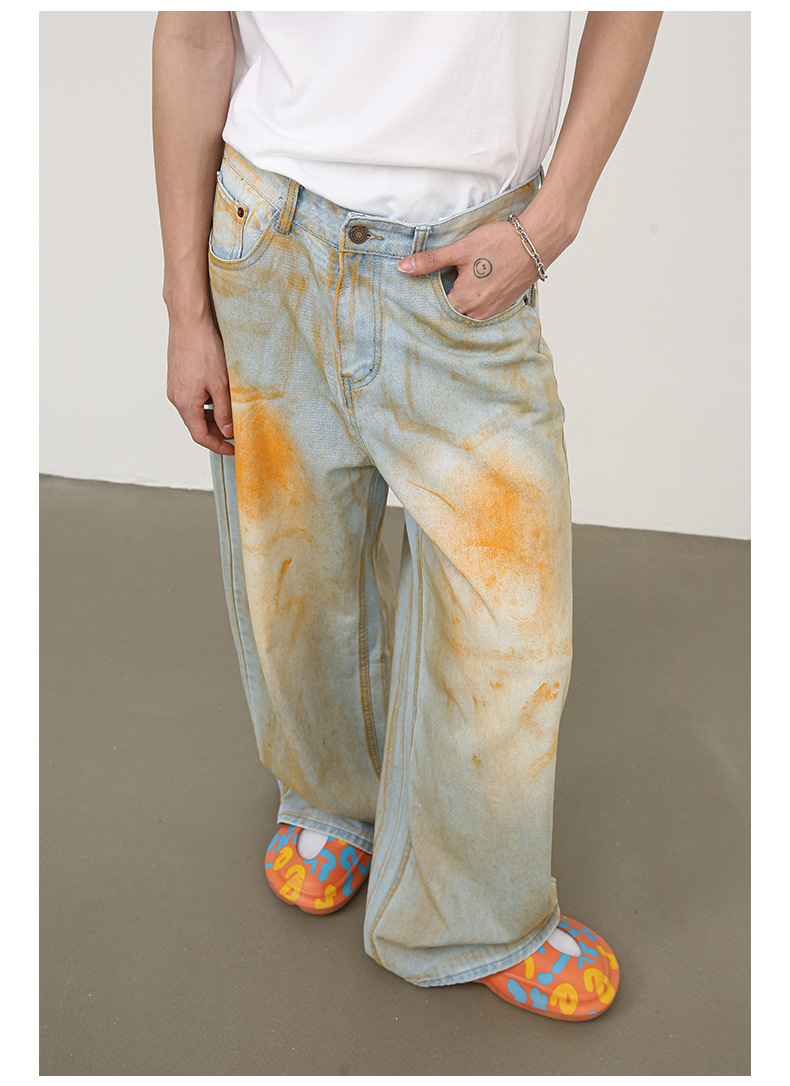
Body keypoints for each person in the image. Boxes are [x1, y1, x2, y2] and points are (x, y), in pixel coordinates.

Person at [153, 10, 661, 1021]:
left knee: (510, 621)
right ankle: (331, 798)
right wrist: (185, 309)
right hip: (268, 240)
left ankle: (468, 916)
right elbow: (195, 34)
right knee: (298, 577)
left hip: (466, 261)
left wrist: (555, 213)